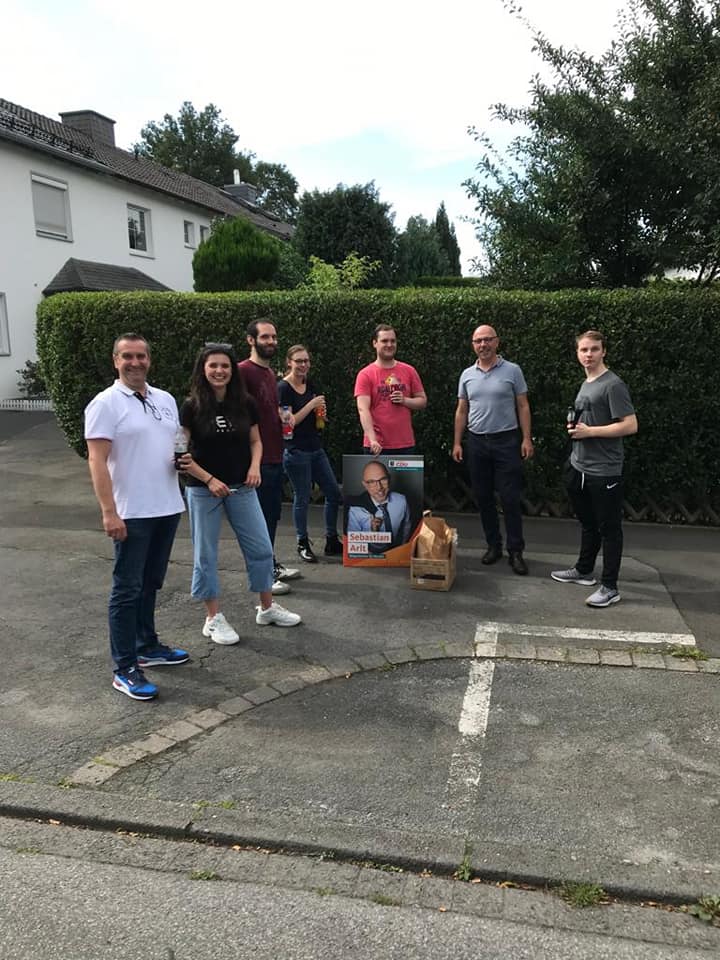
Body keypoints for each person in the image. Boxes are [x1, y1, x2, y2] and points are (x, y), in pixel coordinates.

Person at [84, 333, 189, 701]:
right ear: (116, 361)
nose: (135, 362)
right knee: (127, 590)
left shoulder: (165, 399)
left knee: (150, 583)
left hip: (167, 506)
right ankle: (125, 667)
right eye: (127, 356)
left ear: (149, 360)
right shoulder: (105, 404)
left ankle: (147, 645)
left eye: (141, 356)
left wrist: (181, 460)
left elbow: (171, 443)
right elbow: (97, 460)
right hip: (131, 512)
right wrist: (109, 511)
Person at [178, 344, 301, 639]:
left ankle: (267, 608)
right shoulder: (191, 406)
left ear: (233, 370)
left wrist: (255, 467)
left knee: (261, 548)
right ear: (203, 370)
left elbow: (256, 441)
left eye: (225, 366)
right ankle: (213, 618)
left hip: (242, 487)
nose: (219, 371)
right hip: (203, 490)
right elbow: (180, 455)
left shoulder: (245, 403)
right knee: (206, 555)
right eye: (213, 366)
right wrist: (209, 480)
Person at [551, 330, 638, 607]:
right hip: (579, 466)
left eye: (594, 349)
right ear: (577, 353)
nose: (589, 354)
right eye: (584, 350)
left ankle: (610, 587)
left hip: (604, 470)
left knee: (609, 529)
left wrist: (591, 432)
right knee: (588, 523)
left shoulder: (613, 385)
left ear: (604, 351)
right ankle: (584, 570)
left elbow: (630, 425)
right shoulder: (587, 382)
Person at [452, 324, 534, 576]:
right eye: (478, 341)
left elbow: (523, 405)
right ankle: (493, 546)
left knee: (510, 498)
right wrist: (457, 442)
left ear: (497, 342)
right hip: (477, 442)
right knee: (483, 497)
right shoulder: (467, 374)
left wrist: (526, 438)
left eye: (488, 340)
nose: (483, 345)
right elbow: (462, 410)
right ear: (473, 345)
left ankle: (516, 551)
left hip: (506, 441)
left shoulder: (512, 370)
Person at [238, 319, 299, 594]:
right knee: (259, 519)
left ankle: (270, 563)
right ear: (251, 340)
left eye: (274, 337)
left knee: (271, 515)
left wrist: (282, 417)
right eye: (265, 337)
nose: (271, 341)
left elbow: (267, 409)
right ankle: (262, 574)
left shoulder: (268, 373)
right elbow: (238, 413)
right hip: (257, 459)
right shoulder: (243, 371)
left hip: (275, 453)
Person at [278, 345, 344, 563]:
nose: (303, 365)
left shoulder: (310, 384)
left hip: (316, 448)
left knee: (333, 493)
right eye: (298, 361)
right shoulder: (283, 388)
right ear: (289, 362)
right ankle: (302, 542)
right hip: (296, 451)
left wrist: (320, 414)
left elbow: (314, 416)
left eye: (306, 361)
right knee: (302, 497)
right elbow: (289, 423)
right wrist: (311, 404)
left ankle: (331, 539)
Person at [354, 324, 427, 455]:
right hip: (376, 446)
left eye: (393, 341)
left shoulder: (409, 371)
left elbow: (422, 401)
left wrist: (404, 400)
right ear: (375, 343)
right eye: (384, 341)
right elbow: (363, 409)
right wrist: (372, 440)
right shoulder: (365, 374)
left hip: (405, 444)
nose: (389, 345)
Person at [346, 460, 412, 549]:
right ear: (365, 485)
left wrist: (403, 549)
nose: (379, 487)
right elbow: (353, 543)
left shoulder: (402, 500)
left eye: (383, 479)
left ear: (389, 479)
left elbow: (406, 527)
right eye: (372, 482)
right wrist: (373, 534)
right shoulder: (355, 510)